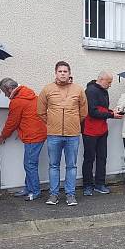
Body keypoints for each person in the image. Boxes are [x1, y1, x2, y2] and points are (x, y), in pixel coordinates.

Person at [37, 61, 88, 206]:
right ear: (56, 73)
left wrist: (73, 122)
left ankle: (70, 195)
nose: (63, 74)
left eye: (65, 71)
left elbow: (84, 112)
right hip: (54, 134)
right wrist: (53, 122)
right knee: (54, 165)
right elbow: (40, 111)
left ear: (69, 73)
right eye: (60, 71)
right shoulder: (47, 89)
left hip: (72, 134)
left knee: (71, 166)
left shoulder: (78, 90)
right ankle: (53, 195)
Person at [0, 77, 47, 201]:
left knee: (30, 164)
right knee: (29, 164)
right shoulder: (30, 95)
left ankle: (34, 191)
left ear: (9, 89)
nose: (6, 96)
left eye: (5, 92)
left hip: (32, 136)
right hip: (39, 133)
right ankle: (29, 188)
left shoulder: (17, 101)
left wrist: (3, 137)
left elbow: (11, 123)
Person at [82, 71, 122, 196]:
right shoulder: (91, 91)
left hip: (102, 130)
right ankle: (87, 185)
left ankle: (100, 183)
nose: (110, 85)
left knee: (102, 158)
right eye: (109, 82)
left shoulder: (104, 90)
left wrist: (112, 111)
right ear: (101, 79)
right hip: (90, 130)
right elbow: (93, 111)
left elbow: (102, 109)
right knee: (89, 159)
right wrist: (111, 114)